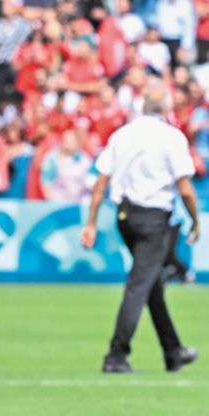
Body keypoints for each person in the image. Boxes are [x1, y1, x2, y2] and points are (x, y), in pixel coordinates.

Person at [81, 80, 200, 374]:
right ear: (167, 107)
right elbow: (184, 188)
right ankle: (116, 355)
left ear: (142, 104)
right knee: (139, 285)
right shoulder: (172, 137)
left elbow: (101, 181)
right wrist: (196, 220)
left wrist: (92, 222)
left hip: (125, 217)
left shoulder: (122, 135)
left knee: (150, 283)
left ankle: (173, 352)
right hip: (154, 218)